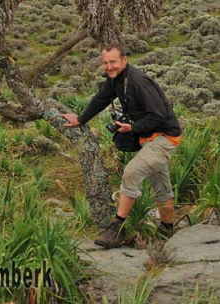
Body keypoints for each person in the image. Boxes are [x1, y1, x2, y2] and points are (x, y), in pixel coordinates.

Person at [62, 43, 181, 249]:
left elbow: (158, 114)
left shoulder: (138, 82)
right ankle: (167, 230)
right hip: (148, 139)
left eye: (113, 62)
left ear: (124, 60)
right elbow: (100, 99)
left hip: (163, 138)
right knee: (161, 186)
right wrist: (80, 119)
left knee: (131, 172)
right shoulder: (116, 80)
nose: (109, 67)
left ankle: (116, 229)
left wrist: (132, 128)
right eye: (105, 63)